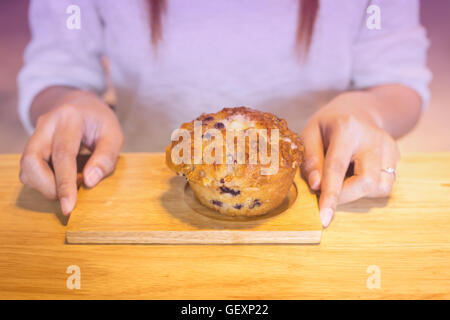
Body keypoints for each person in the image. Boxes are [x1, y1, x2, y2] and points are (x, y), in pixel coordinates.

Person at [17, 0, 431, 227]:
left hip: (320, 183)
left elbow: (398, 76)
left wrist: (368, 108)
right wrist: (70, 101)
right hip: (131, 185)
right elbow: (55, 67)